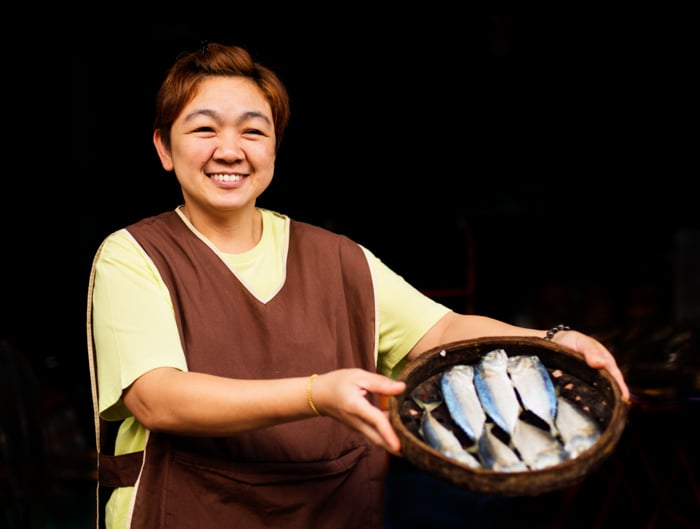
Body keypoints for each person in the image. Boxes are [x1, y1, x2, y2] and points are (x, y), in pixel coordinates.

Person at [86, 41, 630, 529]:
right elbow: (156, 399)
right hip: (188, 512)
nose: (230, 150)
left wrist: (549, 341)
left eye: (253, 130)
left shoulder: (337, 257)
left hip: (332, 510)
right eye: (204, 129)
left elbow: (441, 329)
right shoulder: (134, 255)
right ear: (163, 147)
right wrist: (315, 394)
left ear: (274, 148)